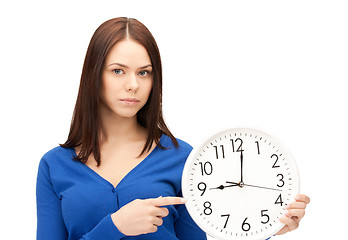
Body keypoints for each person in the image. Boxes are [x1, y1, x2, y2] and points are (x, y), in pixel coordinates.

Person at [36, 17, 310, 240]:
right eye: (118, 71)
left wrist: (266, 231)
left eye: (144, 72)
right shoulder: (54, 165)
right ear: (94, 75)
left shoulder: (183, 158)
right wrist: (115, 227)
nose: (133, 84)